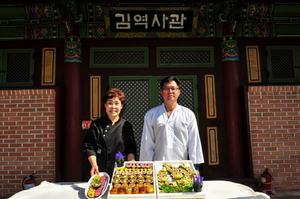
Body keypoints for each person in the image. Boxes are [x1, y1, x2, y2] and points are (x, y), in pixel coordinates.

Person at [139, 76, 204, 171]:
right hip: (158, 166)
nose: (170, 92)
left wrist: (195, 167)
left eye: (173, 89)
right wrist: (146, 168)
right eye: (166, 89)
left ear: (179, 92)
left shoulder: (188, 114)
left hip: (182, 166)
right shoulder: (151, 114)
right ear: (161, 92)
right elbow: (147, 143)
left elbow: (194, 142)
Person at [82, 88, 137, 181]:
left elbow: (130, 147)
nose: (113, 107)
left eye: (116, 103)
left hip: (119, 169)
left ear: (122, 106)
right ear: (105, 105)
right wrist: (94, 165)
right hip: (99, 169)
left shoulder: (126, 125)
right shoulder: (96, 125)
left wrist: (131, 161)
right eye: (110, 103)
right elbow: (89, 147)